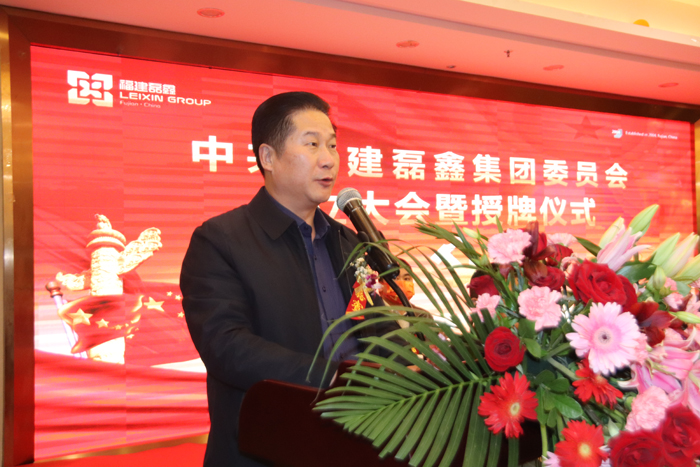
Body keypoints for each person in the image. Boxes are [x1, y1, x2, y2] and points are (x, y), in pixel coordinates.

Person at [180, 92, 397, 466]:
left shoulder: (348, 241)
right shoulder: (220, 240)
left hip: (357, 443)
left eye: (332, 145)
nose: (328, 159)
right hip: (266, 449)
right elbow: (226, 346)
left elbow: (376, 328)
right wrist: (336, 379)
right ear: (268, 157)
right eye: (311, 144)